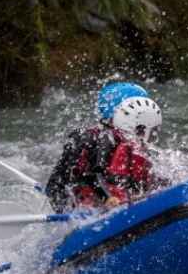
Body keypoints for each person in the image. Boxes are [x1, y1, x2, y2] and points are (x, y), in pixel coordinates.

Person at [45, 82, 159, 211]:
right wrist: (107, 198)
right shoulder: (102, 138)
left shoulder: (122, 138)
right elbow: (89, 174)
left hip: (94, 189)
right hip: (68, 197)